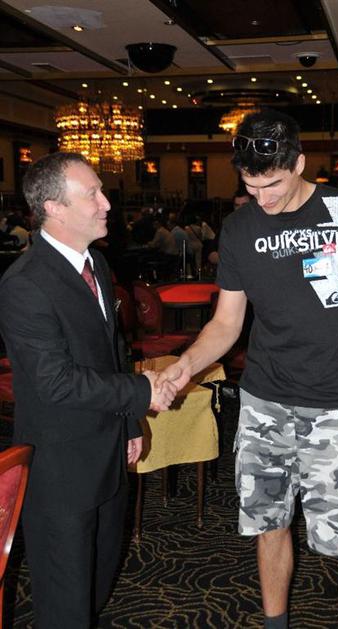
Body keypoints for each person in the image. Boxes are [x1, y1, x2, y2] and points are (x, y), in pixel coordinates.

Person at [155, 109, 338, 628]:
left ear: (299, 164)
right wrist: (187, 365)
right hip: (265, 405)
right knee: (268, 526)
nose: (262, 199)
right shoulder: (240, 228)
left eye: (272, 185)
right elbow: (226, 323)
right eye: (251, 187)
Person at [0, 152, 177, 629]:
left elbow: (112, 350)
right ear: (53, 208)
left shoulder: (95, 263)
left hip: (108, 449)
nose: (107, 204)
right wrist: (142, 392)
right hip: (62, 467)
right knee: (66, 603)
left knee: (96, 584)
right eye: (92, 194)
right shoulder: (25, 284)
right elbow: (54, 381)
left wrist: (131, 423)